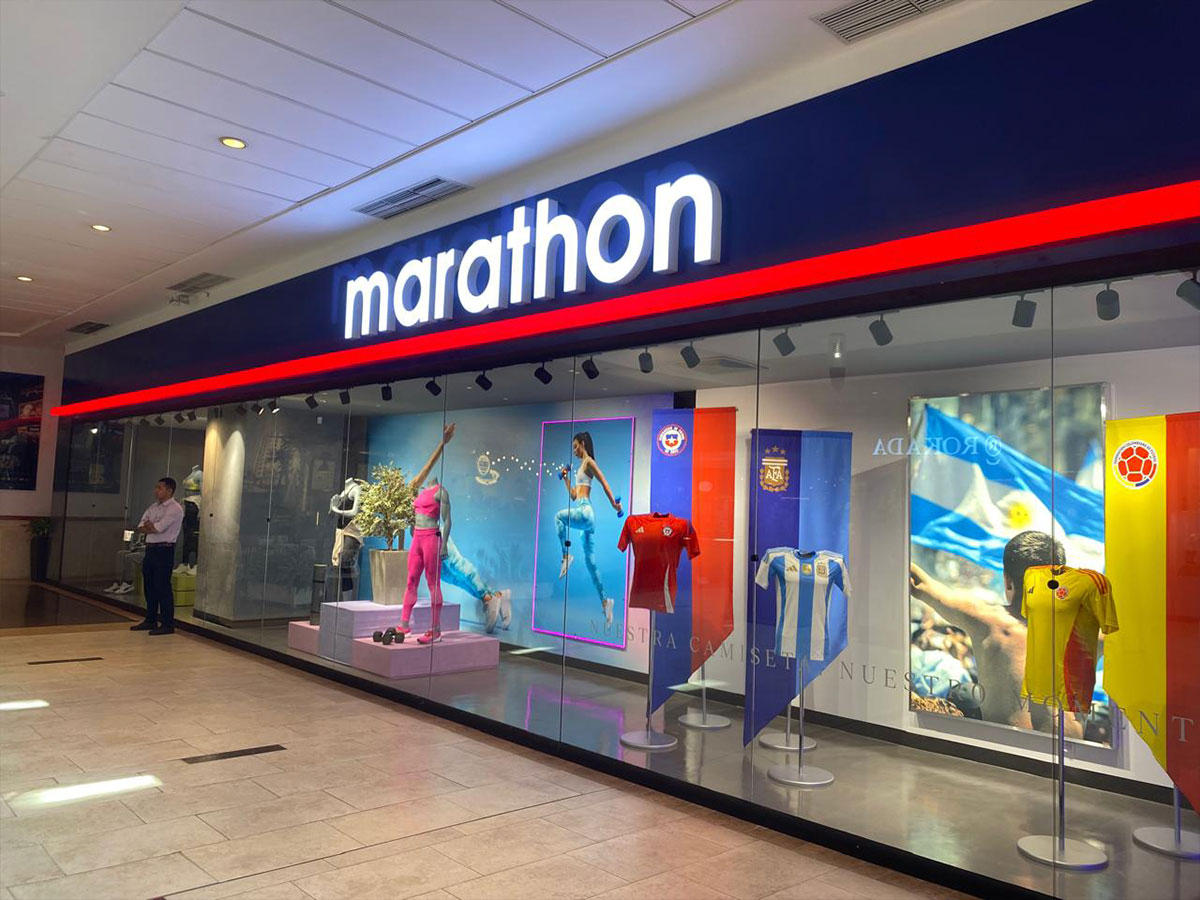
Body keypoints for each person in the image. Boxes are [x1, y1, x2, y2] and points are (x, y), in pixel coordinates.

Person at [908, 530, 1084, 737]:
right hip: (1074, 754)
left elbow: (919, 584)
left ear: (1007, 581)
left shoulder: (989, 621)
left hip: (1007, 750)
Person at [556, 431, 623, 628]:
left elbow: (604, 481)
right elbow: (574, 496)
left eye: (575, 446)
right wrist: (565, 478)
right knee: (590, 563)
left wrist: (614, 505)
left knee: (558, 517)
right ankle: (605, 601)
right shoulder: (580, 468)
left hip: (585, 512)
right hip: (582, 511)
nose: (574, 451)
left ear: (583, 444)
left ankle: (566, 556)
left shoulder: (588, 462)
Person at [130, 477, 184, 635]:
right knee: (149, 585)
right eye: (156, 487)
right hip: (151, 549)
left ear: (169, 490)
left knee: (162, 586)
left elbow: (158, 528)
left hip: (164, 550)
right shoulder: (153, 507)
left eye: (160, 488)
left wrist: (151, 526)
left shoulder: (174, 508)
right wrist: (149, 527)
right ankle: (150, 619)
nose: (156, 491)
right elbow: (141, 526)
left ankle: (167, 623)